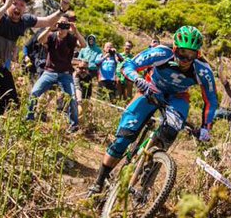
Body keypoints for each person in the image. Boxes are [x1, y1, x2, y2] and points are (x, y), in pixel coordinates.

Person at [88, 26, 219, 195]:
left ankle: (145, 179)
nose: (185, 59)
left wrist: (206, 127)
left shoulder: (203, 70)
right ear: (175, 49)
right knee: (123, 138)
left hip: (177, 98)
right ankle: (98, 182)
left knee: (169, 132)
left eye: (191, 55)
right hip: (151, 89)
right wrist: (137, 79)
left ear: (198, 54)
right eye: (182, 53)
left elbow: (211, 100)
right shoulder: (161, 53)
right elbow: (128, 65)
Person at [0, 0, 60, 114]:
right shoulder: (1, 15)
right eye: (14, 3)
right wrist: (6, 4)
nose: (18, 7)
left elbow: (48, 21)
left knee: (12, 101)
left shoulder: (25, 20)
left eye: (22, 5)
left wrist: (62, 10)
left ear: (25, 8)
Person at [26, 13, 85, 133]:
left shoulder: (71, 39)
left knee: (72, 99)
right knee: (34, 92)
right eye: (61, 24)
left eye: (65, 25)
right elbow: (40, 39)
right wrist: (50, 27)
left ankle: (73, 125)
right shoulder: (52, 36)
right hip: (49, 71)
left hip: (65, 73)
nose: (62, 28)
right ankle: (29, 117)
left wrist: (75, 31)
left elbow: (83, 45)